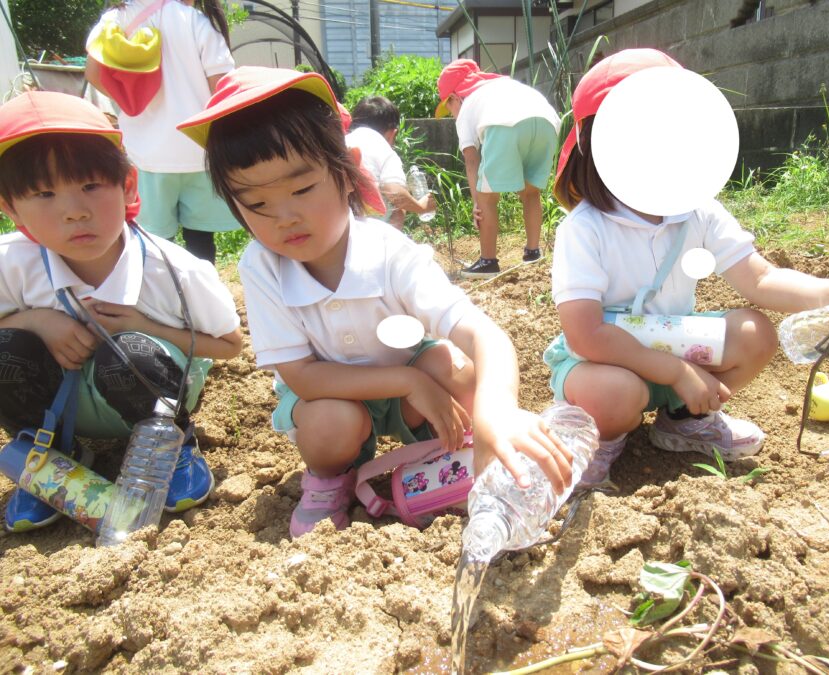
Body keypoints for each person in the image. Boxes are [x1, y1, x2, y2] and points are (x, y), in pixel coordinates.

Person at [176, 66, 572, 538]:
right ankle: (331, 479)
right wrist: (405, 380)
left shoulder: (389, 252)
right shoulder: (262, 267)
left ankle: (461, 446)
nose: (284, 217)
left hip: (411, 390)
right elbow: (301, 375)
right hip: (332, 394)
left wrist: (497, 410)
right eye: (257, 204)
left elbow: (482, 333)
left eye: (302, 189)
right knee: (329, 423)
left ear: (348, 172)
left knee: (455, 368)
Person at [544, 48, 829, 480]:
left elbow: (761, 278)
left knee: (754, 333)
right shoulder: (584, 229)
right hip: (604, 361)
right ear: (597, 144)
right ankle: (597, 440)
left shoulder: (698, 213)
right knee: (615, 393)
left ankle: (685, 420)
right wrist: (677, 370)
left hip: (674, 344)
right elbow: (585, 335)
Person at [0, 91, 242, 532]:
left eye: (90, 186)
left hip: (151, 395)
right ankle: (48, 457)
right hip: (61, 404)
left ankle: (172, 448)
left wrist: (142, 325)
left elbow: (230, 344)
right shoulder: (11, 263)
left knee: (130, 352)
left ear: (128, 185)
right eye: (44, 193)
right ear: (10, 207)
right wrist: (36, 320)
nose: (74, 212)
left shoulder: (175, 270)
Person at [85, 0, 241, 263]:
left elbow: (93, 73)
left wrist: (128, 101)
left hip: (146, 156)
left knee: (153, 242)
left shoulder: (116, 18)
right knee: (201, 241)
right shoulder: (195, 21)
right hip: (199, 149)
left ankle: (159, 288)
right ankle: (201, 288)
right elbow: (221, 86)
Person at [435, 59, 560, 279]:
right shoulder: (503, 86)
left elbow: (471, 160)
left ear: (455, 97)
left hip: (504, 124)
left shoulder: (467, 106)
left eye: (448, 107)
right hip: (547, 121)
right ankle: (533, 253)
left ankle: (488, 262)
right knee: (531, 192)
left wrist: (476, 201)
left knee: (487, 196)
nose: (451, 113)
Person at [345, 96, 436, 230]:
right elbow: (394, 191)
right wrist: (421, 207)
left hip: (337, 226)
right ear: (393, 133)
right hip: (369, 229)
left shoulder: (342, 141)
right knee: (399, 209)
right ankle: (387, 243)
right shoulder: (382, 147)